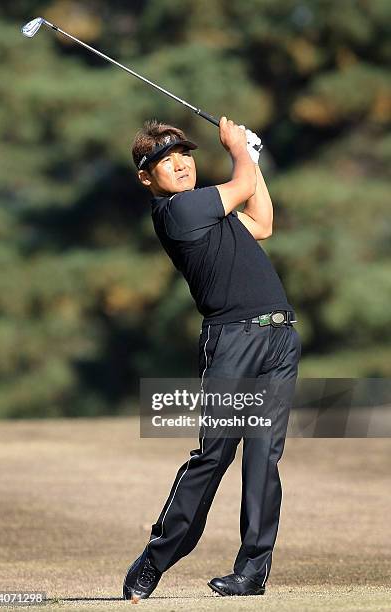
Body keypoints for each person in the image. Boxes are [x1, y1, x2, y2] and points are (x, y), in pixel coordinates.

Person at [122, 117, 301, 599]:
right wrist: (240, 149)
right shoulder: (176, 212)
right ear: (146, 177)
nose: (180, 164)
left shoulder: (211, 211)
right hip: (232, 341)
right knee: (215, 454)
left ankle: (251, 573)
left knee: (265, 459)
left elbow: (262, 222)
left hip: (279, 336)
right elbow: (241, 184)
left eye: (184, 153)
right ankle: (155, 559)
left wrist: (253, 160)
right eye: (164, 159)